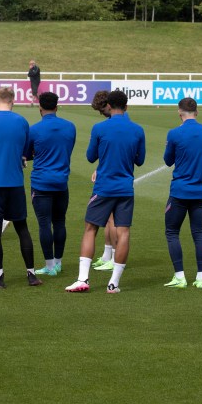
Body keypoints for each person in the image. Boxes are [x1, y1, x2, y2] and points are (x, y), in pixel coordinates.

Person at [66, 90, 145, 294]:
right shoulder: (137, 130)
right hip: (125, 188)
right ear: (126, 107)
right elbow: (140, 160)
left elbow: (91, 156)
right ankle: (114, 284)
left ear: (109, 105)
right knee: (124, 232)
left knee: (90, 228)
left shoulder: (100, 128)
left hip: (103, 187)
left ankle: (83, 279)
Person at [0, 87, 41, 289]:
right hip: (15, 183)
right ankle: (31, 275)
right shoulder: (21, 121)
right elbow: (26, 151)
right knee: (22, 228)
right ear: (12, 101)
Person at [161, 98, 202, 289]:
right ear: (197, 112)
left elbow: (168, 161)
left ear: (180, 112)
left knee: (172, 232)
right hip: (199, 192)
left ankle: (180, 277)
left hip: (179, 192)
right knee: (199, 234)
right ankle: (201, 278)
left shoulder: (175, 133)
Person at [25, 91, 76, 276]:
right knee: (60, 222)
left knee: (44, 224)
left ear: (40, 107)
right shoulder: (70, 127)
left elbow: (28, 153)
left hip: (41, 183)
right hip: (62, 182)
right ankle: (58, 262)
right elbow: (68, 149)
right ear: (57, 106)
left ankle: (49, 266)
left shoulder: (34, 130)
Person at [89, 90, 118, 270]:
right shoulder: (114, 122)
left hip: (113, 178)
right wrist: (98, 169)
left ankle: (115, 257)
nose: (101, 114)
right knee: (108, 219)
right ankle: (108, 254)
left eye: (102, 110)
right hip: (108, 173)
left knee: (114, 219)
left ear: (109, 105)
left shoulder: (116, 123)